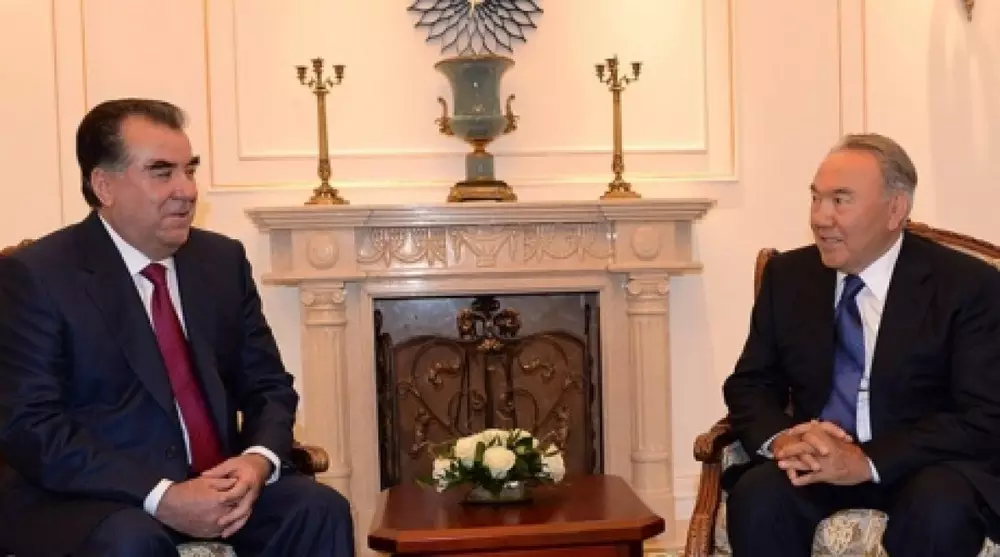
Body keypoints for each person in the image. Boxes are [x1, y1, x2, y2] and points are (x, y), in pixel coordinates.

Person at [0, 98, 355, 556]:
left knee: (318, 509)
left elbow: (268, 386)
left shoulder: (220, 261)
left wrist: (257, 461)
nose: (186, 190)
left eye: (190, 170)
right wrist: (161, 496)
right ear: (104, 185)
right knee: (133, 541)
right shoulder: (39, 276)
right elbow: (31, 426)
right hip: (96, 499)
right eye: (162, 172)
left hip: (214, 484)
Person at [722, 133, 1000, 556]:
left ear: (895, 209)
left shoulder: (967, 285)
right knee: (759, 497)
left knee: (941, 509)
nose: (820, 217)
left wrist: (867, 460)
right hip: (818, 462)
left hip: (923, 463)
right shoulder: (789, 277)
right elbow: (751, 384)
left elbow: (983, 414)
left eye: (840, 200)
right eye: (816, 199)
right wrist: (784, 440)